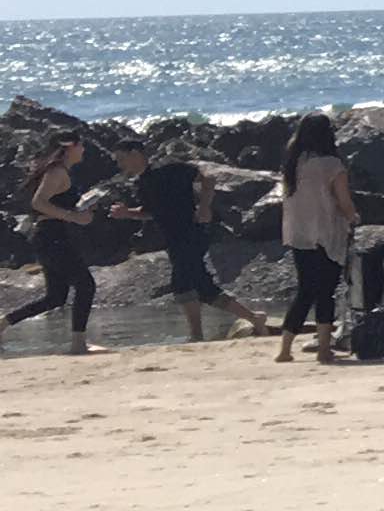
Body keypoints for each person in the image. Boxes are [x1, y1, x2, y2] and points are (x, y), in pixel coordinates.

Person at [116, 133, 276, 342]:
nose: (120, 165)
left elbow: (207, 179)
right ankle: (254, 318)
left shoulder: (168, 167)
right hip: (172, 237)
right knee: (202, 286)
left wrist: (204, 207)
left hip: (191, 232)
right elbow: (151, 212)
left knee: (182, 284)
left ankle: (197, 335)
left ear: (135, 154)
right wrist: (127, 213)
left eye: (121, 159)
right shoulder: (143, 182)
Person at [5, 135, 104, 355]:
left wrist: (81, 212)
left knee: (55, 297)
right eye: (81, 145)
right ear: (71, 147)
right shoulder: (57, 171)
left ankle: (3, 323)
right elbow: (38, 202)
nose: (84, 149)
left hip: (52, 235)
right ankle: (78, 344)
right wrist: (73, 216)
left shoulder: (60, 171)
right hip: (51, 236)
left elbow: (54, 204)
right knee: (86, 285)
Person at [275, 114, 358, 366]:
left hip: (299, 233)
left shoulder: (294, 163)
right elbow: (343, 201)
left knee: (305, 290)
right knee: (326, 292)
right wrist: (353, 217)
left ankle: (285, 349)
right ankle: (323, 349)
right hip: (326, 232)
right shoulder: (332, 164)